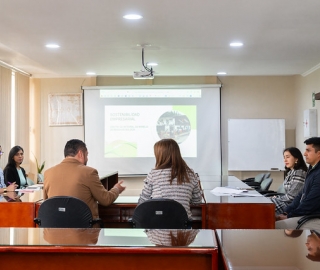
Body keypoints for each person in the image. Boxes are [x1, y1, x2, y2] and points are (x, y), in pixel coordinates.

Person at [43, 139, 126, 219]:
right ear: (80, 154)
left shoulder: (48, 173)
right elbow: (105, 200)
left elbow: (46, 204)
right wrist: (116, 189)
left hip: (56, 230)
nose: (87, 159)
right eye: (87, 155)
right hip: (85, 230)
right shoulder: (89, 172)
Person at [138, 138, 202, 219]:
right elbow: (197, 201)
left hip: (157, 225)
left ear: (159, 156)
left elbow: (142, 202)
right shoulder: (191, 174)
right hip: (184, 226)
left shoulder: (153, 174)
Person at [276, 137, 320, 229]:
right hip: (305, 213)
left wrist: (289, 216)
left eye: (308, 151)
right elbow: (301, 194)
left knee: (273, 226)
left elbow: (310, 203)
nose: (304, 154)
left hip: (313, 217)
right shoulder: (312, 169)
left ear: (319, 153)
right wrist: (286, 212)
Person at [270, 147, 307, 215]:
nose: (285, 160)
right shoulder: (291, 172)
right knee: (263, 202)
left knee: (262, 205)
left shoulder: (299, 173)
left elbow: (291, 197)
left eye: (288, 157)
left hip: (290, 206)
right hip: (286, 202)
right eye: (284, 157)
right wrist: (277, 198)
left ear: (296, 158)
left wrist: (278, 198)